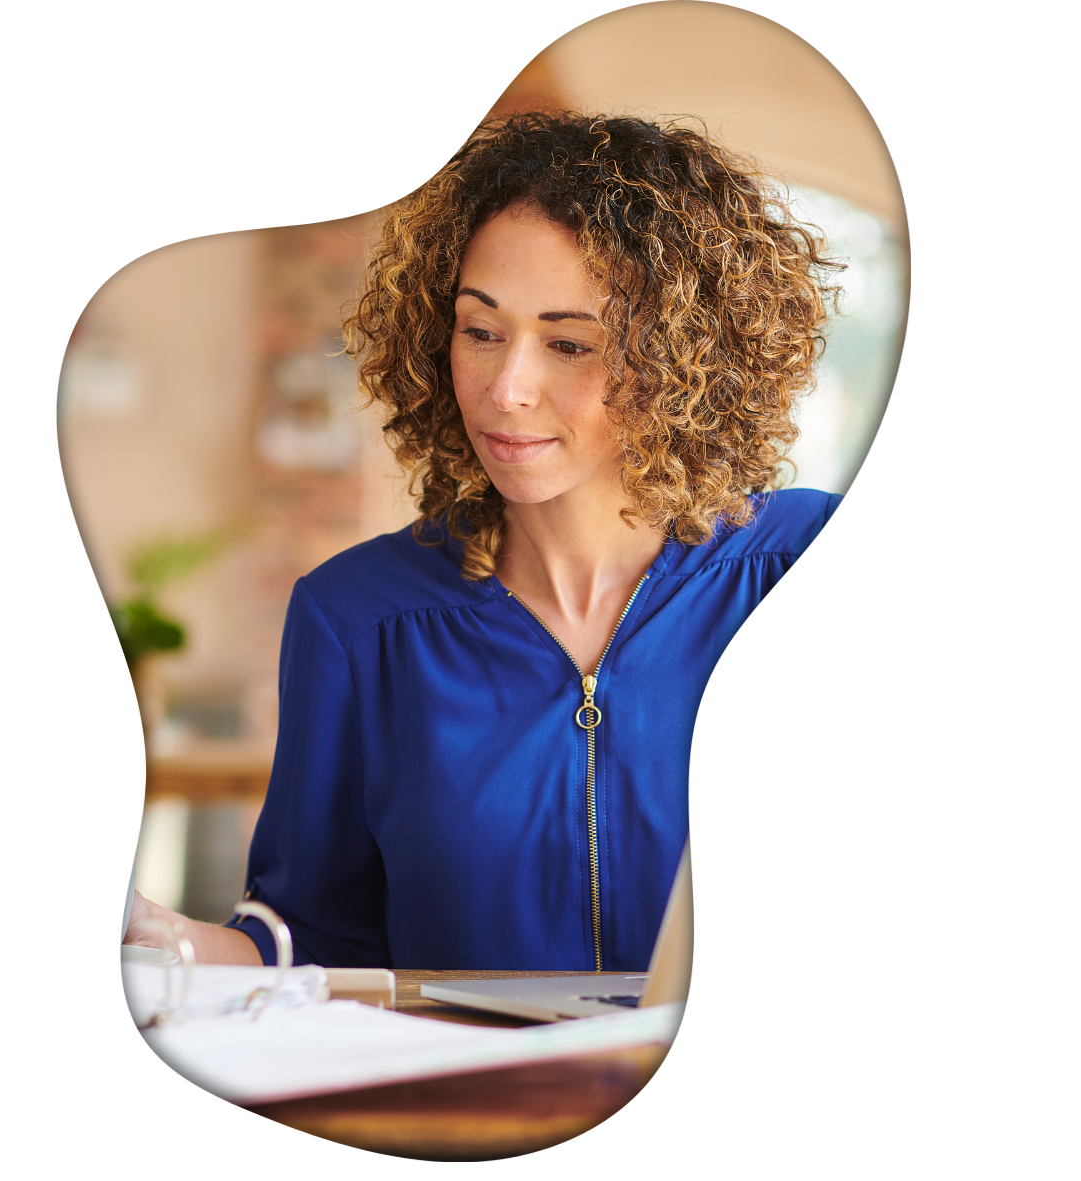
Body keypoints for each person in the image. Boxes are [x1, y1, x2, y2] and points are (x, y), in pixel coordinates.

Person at [124, 112, 844, 971]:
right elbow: (312, 944)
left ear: (683, 360)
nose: (506, 388)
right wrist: (168, 941)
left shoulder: (792, 556)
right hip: (471, 1107)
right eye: (481, 330)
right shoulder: (354, 616)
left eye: (570, 343)